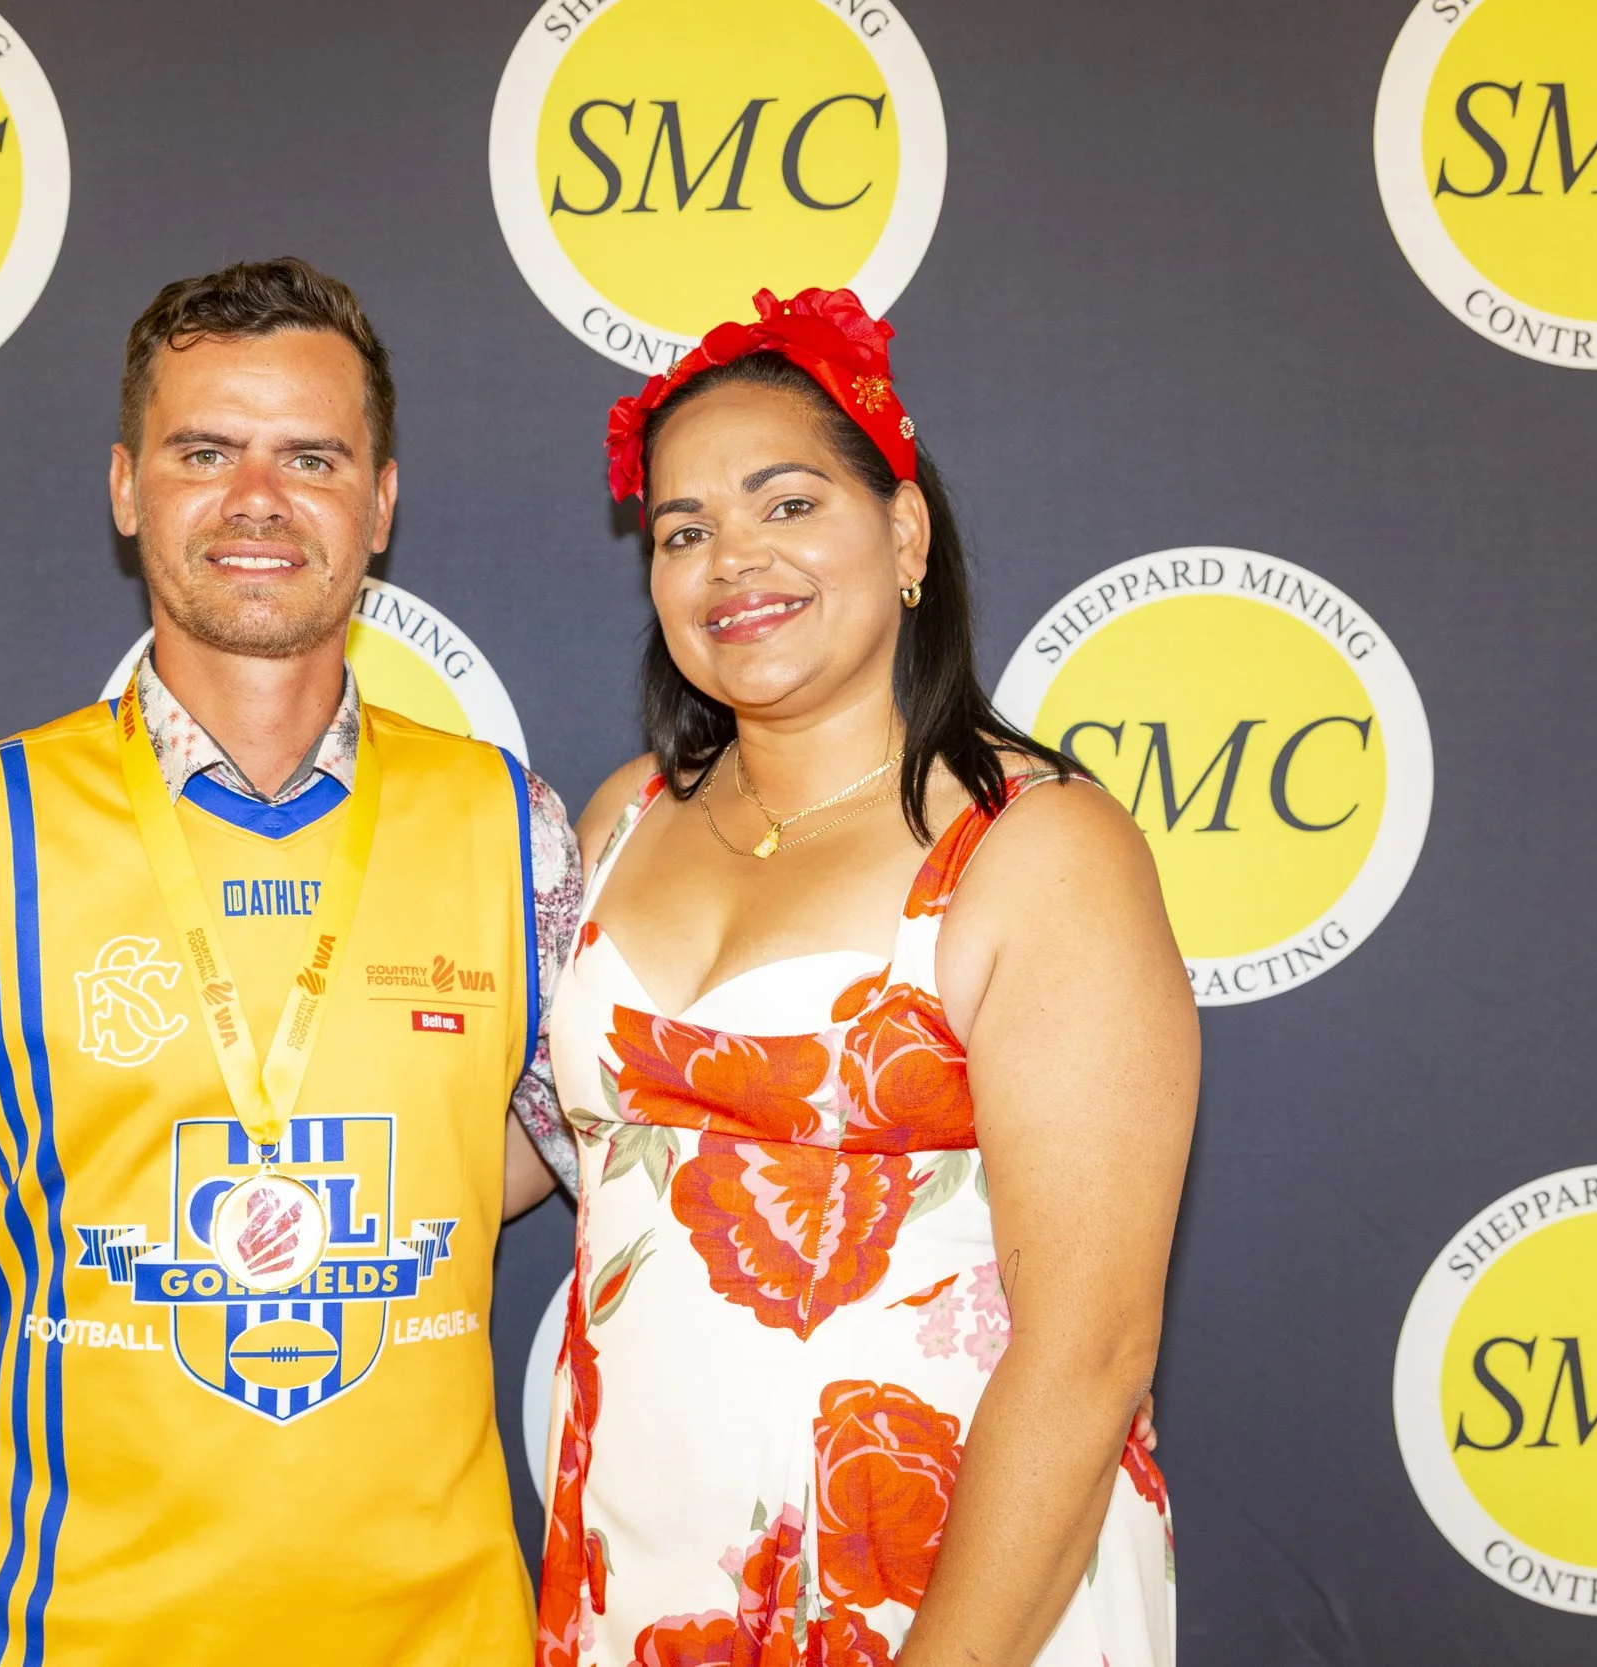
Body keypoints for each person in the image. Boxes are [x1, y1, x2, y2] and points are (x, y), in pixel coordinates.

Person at [0, 257, 579, 1666]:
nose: (257, 499)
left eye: (312, 456)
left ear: (381, 503)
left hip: (439, 1630)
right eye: (204, 451)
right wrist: (96, 1409)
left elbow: (585, 1154)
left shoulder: (510, 829)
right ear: (126, 487)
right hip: (79, 1632)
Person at [536, 289, 1197, 1667]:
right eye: (683, 528)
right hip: (638, 1567)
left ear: (904, 535)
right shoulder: (624, 817)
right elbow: (528, 1142)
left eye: (786, 506)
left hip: (953, 1597)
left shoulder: (1035, 850)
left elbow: (1089, 1352)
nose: (731, 560)